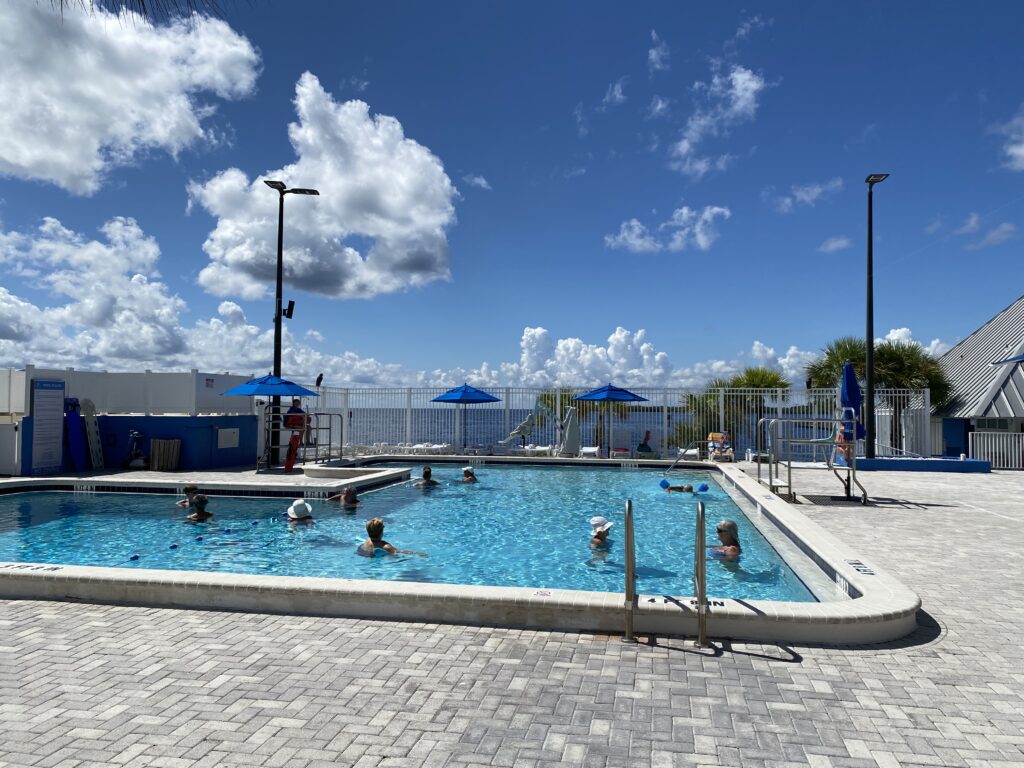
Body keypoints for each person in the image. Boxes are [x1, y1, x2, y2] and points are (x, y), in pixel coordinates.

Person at [357, 517, 427, 557]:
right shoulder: (385, 546)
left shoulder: (367, 540)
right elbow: (400, 551)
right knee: (394, 557)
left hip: (366, 553)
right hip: (381, 553)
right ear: (381, 531)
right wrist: (417, 553)